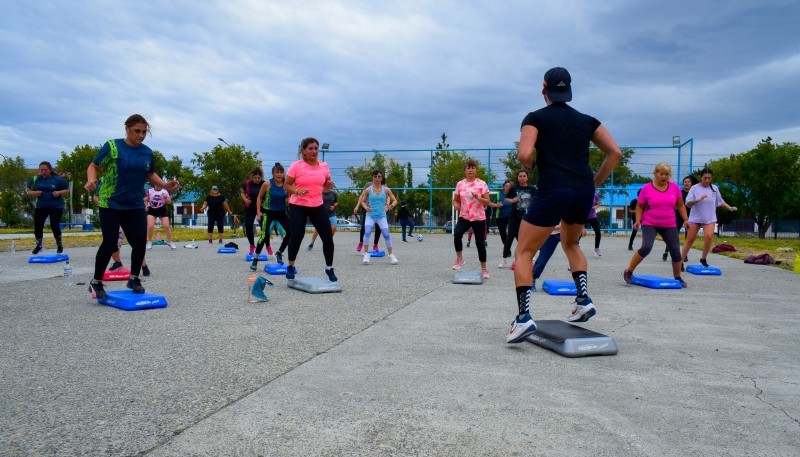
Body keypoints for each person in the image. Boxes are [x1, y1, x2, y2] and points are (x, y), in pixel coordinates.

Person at [506, 67, 622, 344]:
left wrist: (532, 164)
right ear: (568, 89)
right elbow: (615, 153)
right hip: (582, 190)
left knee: (523, 252)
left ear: (543, 88)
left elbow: (524, 154)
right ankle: (583, 300)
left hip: (553, 189)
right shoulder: (587, 120)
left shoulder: (535, 118)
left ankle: (523, 318)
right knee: (571, 244)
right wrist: (593, 183)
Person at [84, 114, 178, 298]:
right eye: (137, 131)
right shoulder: (113, 146)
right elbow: (93, 166)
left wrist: (166, 185)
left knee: (139, 241)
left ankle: (134, 278)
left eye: (144, 132)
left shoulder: (147, 152)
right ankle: (96, 282)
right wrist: (91, 180)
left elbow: (150, 174)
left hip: (134, 203)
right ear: (127, 129)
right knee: (110, 241)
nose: (141, 135)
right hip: (111, 202)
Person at [623, 163, 690, 287]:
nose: (664, 177)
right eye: (661, 174)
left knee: (675, 250)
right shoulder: (647, 188)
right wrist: (638, 220)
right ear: (655, 174)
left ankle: (678, 277)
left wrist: (686, 219)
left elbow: (680, 205)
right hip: (650, 223)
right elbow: (639, 206)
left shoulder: (674, 188)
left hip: (669, 223)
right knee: (646, 247)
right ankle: (629, 272)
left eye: (666, 174)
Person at [283, 137, 338, 281]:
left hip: (317, 205)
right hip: (298, 205)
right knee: (298, 234)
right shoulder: (296, 166)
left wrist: (327, 186)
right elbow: (286, 185)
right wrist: (296, 191)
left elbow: (326, 185)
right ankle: (290, 266)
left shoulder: (324, 166)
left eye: (316, 148)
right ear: (303, 151)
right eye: (310, 148)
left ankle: (329, 268)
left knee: (327, 236)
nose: (314, 151)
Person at [680, 168, 737, 268]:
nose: (707, 180)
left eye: (709, 178)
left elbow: (720, 201)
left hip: (709, 218)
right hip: (695, 218)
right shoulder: (694, 188)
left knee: (709, 236)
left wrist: (730, 208)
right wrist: (698, 199)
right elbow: (687, 204)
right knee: (690, 239)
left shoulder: (714, 188)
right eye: (704, 178)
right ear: (701, 178)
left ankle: (703, 259)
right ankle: (680, 261)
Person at [93, 179, 150, 276]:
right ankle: (117, 262)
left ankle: (143, 265)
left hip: (129, 212)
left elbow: (145, 197)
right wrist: (103, 205)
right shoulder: (104, 180)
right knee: (112, 241)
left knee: (136, 242)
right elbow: (95, 196)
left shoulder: (132, 178)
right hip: (111, 212)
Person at [452, 159, 494, 279]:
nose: (470, 170)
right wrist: (455, 204)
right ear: (464, 170)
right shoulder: (460, 184)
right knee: (457, 234)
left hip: (478, 217)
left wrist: (478, 197)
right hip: (465, 216)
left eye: (473, 168)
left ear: (476, 170)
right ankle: (459, 259)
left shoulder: (482, 184)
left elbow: (487, 201)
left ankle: (484, 269)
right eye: (468, 168)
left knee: (480, 243)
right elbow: (456, 199)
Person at [250, 163, 292, 271]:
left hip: (281, 211)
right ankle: (255, 259)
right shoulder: (267, 184)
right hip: (268, 212)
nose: (279, 174)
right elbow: (259, 198)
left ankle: (279, 253)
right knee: (264, 235)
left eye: (281, 172)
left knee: (291, 232)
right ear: (273, 174)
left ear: (284, 174)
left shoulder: (286, 184)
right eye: (277, 172)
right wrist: (259, 212)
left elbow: (288, 198)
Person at [26, 161, 70, 254]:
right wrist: (35, 193)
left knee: (54, 225)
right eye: (41, 170)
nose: (43, 172)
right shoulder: (35, 179)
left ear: (50, 170)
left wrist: (59, 193)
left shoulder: (58, 180)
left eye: (45, 170)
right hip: (41, 206)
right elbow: (28, 191)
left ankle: (59, 245)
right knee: (38, 225)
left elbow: (67, 190)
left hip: (56, 206)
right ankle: (39, 245)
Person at [357, 170, 398, 265]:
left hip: (381, 216)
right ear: (372, 178)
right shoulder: (368, 189)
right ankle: (366, 254)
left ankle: (391, 255)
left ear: (382, 178)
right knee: (367, 232)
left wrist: (390, 206)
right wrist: (366, 207)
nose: (377, 178)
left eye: (379, 176)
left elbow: (395, 200)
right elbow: (362, 201)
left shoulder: (386, 189)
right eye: (375, 176)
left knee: (386, 234)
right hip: (370, 216)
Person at [500, 170, 535, 268]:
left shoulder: (532, 189)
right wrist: (512, 200)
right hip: (514, 216)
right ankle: (504, 258)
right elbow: (507, 199)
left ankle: (530, 256)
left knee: (527, 238)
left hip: (527, 217)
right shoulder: (514, 188)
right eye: (520, 176)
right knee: (509, 237)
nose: (522, 177)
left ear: (527, 178)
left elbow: (536, 200)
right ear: (518, 178)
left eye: (524, 176)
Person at [662, 175, 698, 261]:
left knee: (688, 237)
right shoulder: (679, 193)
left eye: (688, 182)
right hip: (678, 216)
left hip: (690, 217)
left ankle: (684, 255)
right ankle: (666, 252)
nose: (686, 183)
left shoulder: (693, 194)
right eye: (685, 182)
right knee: (673, 235)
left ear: (691, 184)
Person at [241, 167, 265, 255]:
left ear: (261, 177)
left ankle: (264, 245)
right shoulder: (248, 183)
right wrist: (245, 200)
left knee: (264, 228)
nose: (257, 179)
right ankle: (252, 245)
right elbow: (242, 192)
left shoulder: (264, 183)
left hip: (261, 208)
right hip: (250, 207)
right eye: (255, 178)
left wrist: (266, 203)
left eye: (259, 178)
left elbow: (269, 195)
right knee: (248, 226)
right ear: (252, 177)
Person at [145, 184, 176, 250]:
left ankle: (171, 242)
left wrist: (166, 198)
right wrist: (146, 206)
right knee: (150, 226)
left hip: (162, 210)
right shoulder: (150, 191)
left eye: (160, 184)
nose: (158, 185)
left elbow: (169, 202)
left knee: (166, 226)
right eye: (156, 184)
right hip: (152, 210)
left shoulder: (165, 191)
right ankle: (149, 242)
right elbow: (146, 199)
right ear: (154, 184)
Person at [496, 180, 513, 256]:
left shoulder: (514, 195)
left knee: (511, 234)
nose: (508, 187)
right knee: (503, 234)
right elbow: (490, 203)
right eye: (506, 186)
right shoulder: (498, 195)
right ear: (503, 187)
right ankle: (508, 249)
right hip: (500, 217)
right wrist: (497, 204)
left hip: (511, 216)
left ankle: (507, 250)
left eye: (509, 186)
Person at [586, 191, 602, 256]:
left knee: (598, 232)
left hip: (593, 216)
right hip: (583, 216)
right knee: (579, 233)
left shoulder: (595, 195)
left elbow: (598, 203)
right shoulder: (582, 193)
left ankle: (596, 248)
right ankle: (575, 246)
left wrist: (596, 206)